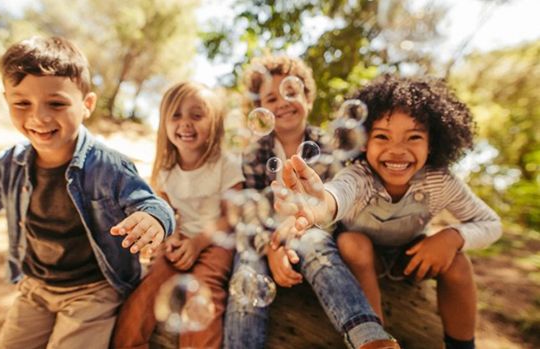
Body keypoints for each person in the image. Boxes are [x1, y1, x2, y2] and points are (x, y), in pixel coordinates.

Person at [0, 36, 175, 349]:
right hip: (36, 287)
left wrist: (152, 219)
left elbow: (155, 205)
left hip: (93, 291)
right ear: (6, 100)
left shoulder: (109, 166)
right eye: (22, 103)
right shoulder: (8, 166)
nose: (39, 117)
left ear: (87, 104)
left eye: (56, 103)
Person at [274, 75, 502, 349]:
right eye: (382, 136)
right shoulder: (360, 176)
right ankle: (375, 338)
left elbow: (491, 223)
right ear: (363, 142)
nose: (397, 151)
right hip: (364, 257)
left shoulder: (439, 181)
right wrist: (321, 205)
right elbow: (338, 195)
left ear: (433, 144)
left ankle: (463, 346)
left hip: (411, 255)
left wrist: (452, 237)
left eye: (414, 137)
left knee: (458, 262)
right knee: (351, 242)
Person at [224, 55, 400, 349]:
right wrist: (271, 247)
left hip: (312, 231)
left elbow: (334, 208)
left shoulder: (328, 146)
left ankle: (370, 339)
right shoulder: (255, 154)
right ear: (260, 110)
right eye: (271, 97)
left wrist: (296, 230)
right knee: (247, 271)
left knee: (316, 245)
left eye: (291, 92)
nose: (282, 102)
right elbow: (250, 212)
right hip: (262, 239)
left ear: (307, 98)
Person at [112, 81, 244, 349]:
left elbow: (231, 216)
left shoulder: (226, 163)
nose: (185, 123)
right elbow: (166, 212)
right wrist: (170, 237)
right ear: (164, 123)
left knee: (206, 290)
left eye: (197, 115)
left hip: (217, 240)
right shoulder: (166, 171)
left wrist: (197, 244)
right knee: (150, 286)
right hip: (180, 239)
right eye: (176, 115)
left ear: (215, 123)